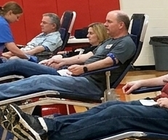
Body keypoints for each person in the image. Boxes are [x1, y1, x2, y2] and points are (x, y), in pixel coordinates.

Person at [0, 57, 168, 140]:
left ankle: (50, 139)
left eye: (109, 21)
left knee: (117, 112)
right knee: (106, 109)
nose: (105, 24)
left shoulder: (123, 43)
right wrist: (143, 82)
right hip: (159, 102)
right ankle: (46, 127)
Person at [0, 11, 135, 100]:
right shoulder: (110, 40)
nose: (105, 24)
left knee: (40, 80)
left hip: (91, 84)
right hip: (79, 75)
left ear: (121, 25)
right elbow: (86, 56)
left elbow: (108, 62)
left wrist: (84, 69)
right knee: (38, 78)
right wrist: (65, 62)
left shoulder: (126, 43)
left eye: (109, 22)